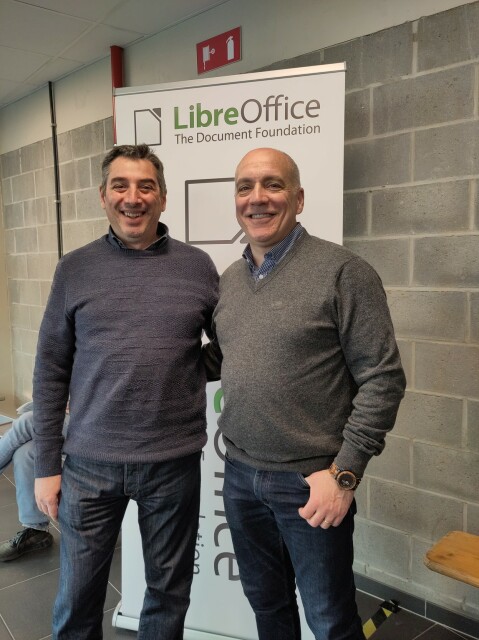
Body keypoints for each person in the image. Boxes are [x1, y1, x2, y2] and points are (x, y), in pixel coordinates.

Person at [210, 148, 406, 640]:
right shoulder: (230, 280)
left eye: (272, 185)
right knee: (267, 606)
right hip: (239, 477)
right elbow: (227, 357)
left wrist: (344, 473)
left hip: (311, 483)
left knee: (330, 619)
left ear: (298, 198)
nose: (257, 198)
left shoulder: (344, 272)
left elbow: (383, 378)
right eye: (245, 187)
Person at [33, 144, 219, 640]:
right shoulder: (74, 269)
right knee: (77, 599)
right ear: (103, 196)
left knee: (167, 594)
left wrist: (182, 371)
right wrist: (48, 465)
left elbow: (230, 344)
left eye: (145, 186)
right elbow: (51, 370)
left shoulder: (198, 266)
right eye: (121, 186)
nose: (132, 198)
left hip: (173, 464)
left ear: (162, 198)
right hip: (89, 465)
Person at [0, 404, 69, 561]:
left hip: (104, 422)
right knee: (27, 452)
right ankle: (36, 530)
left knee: (28, 421)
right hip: (72, 411)